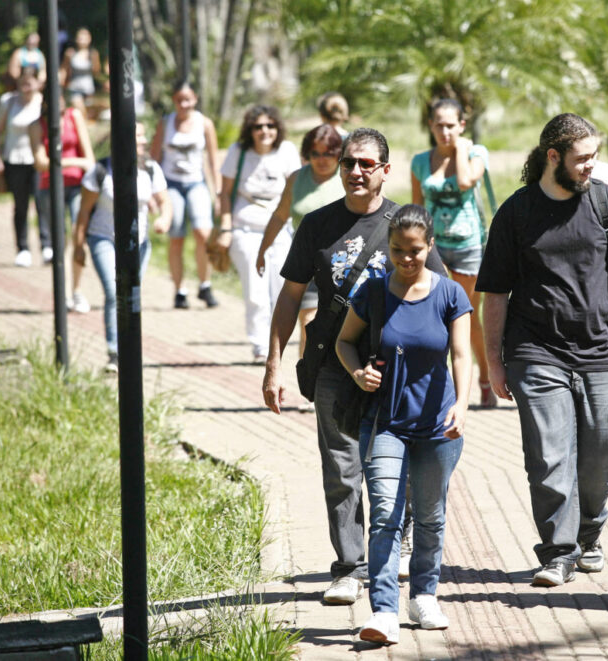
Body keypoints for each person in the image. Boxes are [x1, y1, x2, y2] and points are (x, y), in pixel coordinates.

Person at [260, 128, 445, 604]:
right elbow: (291, 296)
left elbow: (442, 296)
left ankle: (397, 542)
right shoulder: (318, 225)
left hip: (398, 372)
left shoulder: (405, 224)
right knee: (342, 469)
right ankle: (349, 566)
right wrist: (273, 365)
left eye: (366, 163)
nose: (355, 171)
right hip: (332, 364)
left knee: (394, 465)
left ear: (386, 169)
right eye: (348, 163)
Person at [475, 113, 608, 586]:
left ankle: (590, 534)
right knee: (549, 457)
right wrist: (493, 362)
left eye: (594, 157)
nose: (591, 167)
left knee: (599, 457)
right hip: (535, 351)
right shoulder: (516, 213)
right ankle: (558, 552)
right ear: (554, 157)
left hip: (602, 353)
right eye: (582, 158)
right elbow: (494, 293)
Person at [336, 205, 471, 645]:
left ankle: (425, 595)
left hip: (438, 425)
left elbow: (462, 356)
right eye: (397, 250)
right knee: (385, 516)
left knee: (430, 517)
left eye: (414, 251)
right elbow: (344, 341)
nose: (405, 259)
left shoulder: (450, 294)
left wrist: (463, 404)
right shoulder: (373, 292)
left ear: (429, 246)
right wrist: (358, 373)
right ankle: (384, 610)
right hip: (385, 424)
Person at [411, 98, 495, 407]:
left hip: (469, 246)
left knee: (468, 318)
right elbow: (417, 206)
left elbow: (464, 182)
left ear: (462, 125)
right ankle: (440, 387)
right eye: (439, 125)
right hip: (434, 248)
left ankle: (485, 379)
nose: (445, 131)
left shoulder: (476, 153)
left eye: (451, 125)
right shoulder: (420, 161)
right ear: (430, 125)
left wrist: (460, 149)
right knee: (433, 318)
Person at [73, 122, 171, 371]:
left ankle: (130, 346)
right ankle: (114, 352)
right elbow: (83, 212)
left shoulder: (150, 168)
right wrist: (78, 246)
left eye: (142, 134)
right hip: (103, 238)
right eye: (136, 134)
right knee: (114, 289)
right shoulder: (101, 170)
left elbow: (165, 201)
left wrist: (164, 219)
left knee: (131, 293)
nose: (142, 139)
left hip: (138, 243)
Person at [216, 105, 300, 363]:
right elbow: (225, 194)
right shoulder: (238, 152)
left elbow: (296, 189)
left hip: (281, 230)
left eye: (270, 126)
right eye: (258, 127)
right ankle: (259, 345)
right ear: (250, 130)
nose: (265, 131)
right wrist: (226, 228)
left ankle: (276, 343)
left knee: (280, 289)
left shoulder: (286, 151)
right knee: (255, 292)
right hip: (246, 230)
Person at [255, 124, 345, 355]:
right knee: (308, 325)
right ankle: (309, 379)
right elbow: (280, 215)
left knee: (342, 329)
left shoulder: (348, 178)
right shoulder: (297, 178)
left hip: (344, 266)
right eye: (315, 153)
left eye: (329, 153)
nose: (322, 159)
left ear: (339, 153)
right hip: (308, 264)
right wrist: (262, 250)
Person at [149, 79, 221, 309]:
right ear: (174, 101)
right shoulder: (165, 123)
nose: (184, 104)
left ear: (195, 100)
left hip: (196, 182)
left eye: (188, 99)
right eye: (179, 100)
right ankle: (179, 290)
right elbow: (154, 158)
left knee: (203, 233)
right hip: (171, 183)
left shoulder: (205, 124)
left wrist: (218, 193)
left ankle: (205, 285)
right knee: (176, 237)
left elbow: (213, 159)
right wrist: (152, 192)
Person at [29, 90, 95, 307]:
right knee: (60, 241)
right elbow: (40, 162)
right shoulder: (36, 125)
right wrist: (72, 162)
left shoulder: (74, 116)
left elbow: (89, 158)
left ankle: (77, 290)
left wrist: (68, 163)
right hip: (50, 187)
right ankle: (63, 293)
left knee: (79, 237)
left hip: (77, 186)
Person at [0, 66, 43, 267]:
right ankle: (23, 248)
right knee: (20, 205)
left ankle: (47, 244)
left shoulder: (43, 102)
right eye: (23, 82)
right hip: (14, 159)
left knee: (42, 203)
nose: (26, 87)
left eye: (30, 82)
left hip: (38, 161)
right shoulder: (9, 101)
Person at [62, 28, 101, 114]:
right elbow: (64, 69)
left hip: (88, 88)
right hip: (74, 87)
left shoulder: (93, 53)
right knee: (78, 109)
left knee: (87, 114)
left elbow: (96, 71)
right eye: (80, 38)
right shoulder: (70, 53)